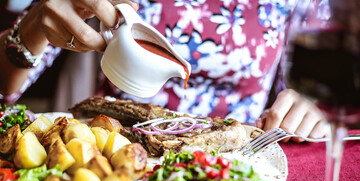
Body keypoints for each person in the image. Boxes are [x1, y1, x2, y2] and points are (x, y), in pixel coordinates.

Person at [0, 0, 328, 141]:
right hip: (117, 145)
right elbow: (4, 88)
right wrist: (35, 26)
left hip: (242, 154)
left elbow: (308, 79)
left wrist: (311, 104)